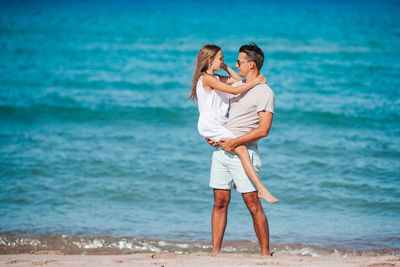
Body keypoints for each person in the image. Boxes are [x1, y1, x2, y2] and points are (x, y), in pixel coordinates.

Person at [205, 43, 276, 256]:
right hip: (222, 152)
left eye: (239, 62)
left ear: (251, 65)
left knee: (252, 203)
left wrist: (235, 143)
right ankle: (215, 252)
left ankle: (265, 253)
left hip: (244, 150)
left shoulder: (265, 92)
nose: (236, 65)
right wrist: (217, 138)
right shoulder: (239, 86)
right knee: (219, 201)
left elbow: (264, 130)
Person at [189, 44, 278, 203]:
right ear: (210, 60)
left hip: (215, 124)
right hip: (211, 123)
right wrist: (257, 81)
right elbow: (236, 90)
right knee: (242, 150)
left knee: (239, 150)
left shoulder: (215, 78)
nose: (224, 62)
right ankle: (261, 189)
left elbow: (238, 81)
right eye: (221, 59)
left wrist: (223, 66)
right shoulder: (207, 78)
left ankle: (241, 183)